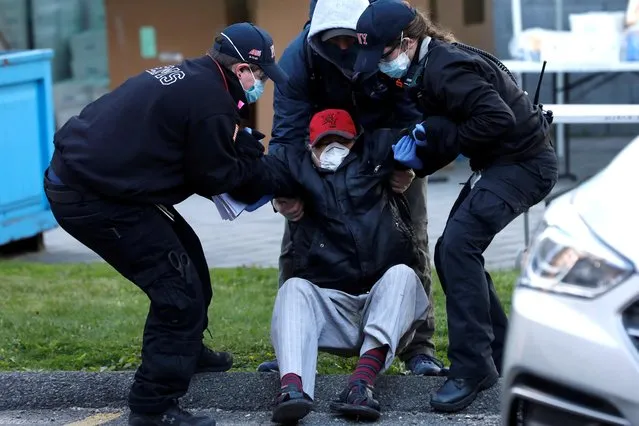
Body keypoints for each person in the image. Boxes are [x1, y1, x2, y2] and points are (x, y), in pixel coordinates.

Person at [43, 23, 291, 426]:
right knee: (178, 290)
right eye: (260, 74)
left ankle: (185, 350)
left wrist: (236, 149)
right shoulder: (212, 102)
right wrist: (261, 167)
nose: (262, 83)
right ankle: (153, 406)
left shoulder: (199, 77)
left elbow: (200, 157)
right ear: (242, 70)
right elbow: (215, 178)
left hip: (107, 183)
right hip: (91, 195)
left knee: (188, 256)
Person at [354, 0, 559, 413]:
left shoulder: (444, 67)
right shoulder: (425, 67)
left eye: (384, 53)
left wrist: (437, 131)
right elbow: (458, 131)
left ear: (408, 42)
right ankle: (500, 354)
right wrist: (418, 161)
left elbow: (495, 120)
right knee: (453, 252)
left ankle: (472, 368)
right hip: (501, 163)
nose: (379, 64)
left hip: (524, 165)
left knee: (457, 248)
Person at [257, 0, 446, 378]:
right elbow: (285, 134)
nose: (343, 49)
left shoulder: (388, 41)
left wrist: (410, 165)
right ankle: (293, 341)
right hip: (322, 144)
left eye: (350, 40)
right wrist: (284, 189)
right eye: (333, 41)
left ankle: (419, 345)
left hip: (392, 146)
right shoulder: (299, 61)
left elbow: (414, 109)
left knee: (412, 236)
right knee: (296, 236)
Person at [236, 109, 430, 424]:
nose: (333, 150)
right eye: (325, 143)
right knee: (293, 290)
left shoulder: (378, 159)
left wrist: (414, 165)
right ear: (309, 146)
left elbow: (421, 133)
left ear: (356, 142)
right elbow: (253, 178)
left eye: (342, 141)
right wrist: (250, 165)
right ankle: (292, 390)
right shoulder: (294, 171)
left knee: (404, 277)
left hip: (381, 307)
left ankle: (361, 385)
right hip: (330, 310)